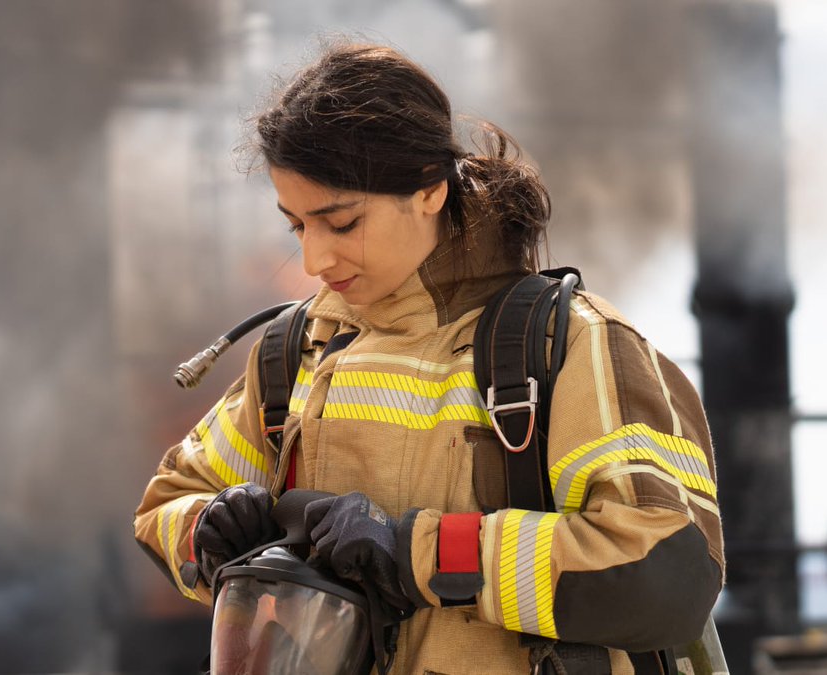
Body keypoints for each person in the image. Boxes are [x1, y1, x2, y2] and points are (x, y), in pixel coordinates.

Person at [134, 43, 724, 674]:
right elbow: (162, 509)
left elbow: (664, 571)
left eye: (341, 221)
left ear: (429, 191)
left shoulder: (575, 347)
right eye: (298, 226)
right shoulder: (295, 353)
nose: (314, 261)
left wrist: (423, 554)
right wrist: (210, 530)